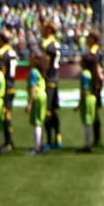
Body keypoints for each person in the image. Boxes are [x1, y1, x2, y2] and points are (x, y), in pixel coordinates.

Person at [0, 31, 19, 152]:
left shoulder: (2, 53)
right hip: (12, 85)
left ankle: (8, 142)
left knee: (5, 114)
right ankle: (8, 141)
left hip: (5, 86)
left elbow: (3, 71)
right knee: (8, 113)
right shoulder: (12, 52)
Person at [80, 31, 104, 149]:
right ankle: (97, 139)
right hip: (95, 84)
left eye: (88, 37)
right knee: (94, 113)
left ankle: (95, 139)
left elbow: (97, 70)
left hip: (93, 86)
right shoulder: (93, 52)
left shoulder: (94, 53)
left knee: (92, 114)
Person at [40, 22, 63, 150]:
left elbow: (46, 63)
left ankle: (49, 140)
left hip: (49, 79)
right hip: (56, 78)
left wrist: (42, 75)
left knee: (47, 110)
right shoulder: (56, 43)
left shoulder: (48, 45)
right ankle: (58, 138)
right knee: (53, 110)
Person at [27, 51, 47, 154]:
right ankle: (40, 145)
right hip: (43, 96)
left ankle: (37, 147)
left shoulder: (34, 72)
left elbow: (33, 88)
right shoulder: (41, 71)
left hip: (37, 97)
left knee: (36, 122)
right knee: (40, 121)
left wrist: (29, 103)